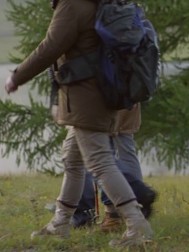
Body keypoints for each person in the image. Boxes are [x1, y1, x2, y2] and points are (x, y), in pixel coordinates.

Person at [4, 0, 153, 247]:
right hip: (101, 93)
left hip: (86, 97)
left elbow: (50, 48)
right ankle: (61, 222)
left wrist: (17, 76)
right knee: (73, 160)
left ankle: (136, 224)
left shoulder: (72, 3)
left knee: (99, 161)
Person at [49, 68, 157, 232]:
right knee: (119, 148)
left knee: (95, 155)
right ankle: (128, 208)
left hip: (98, 91)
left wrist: (55, 98)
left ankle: (104, 212)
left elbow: (57, 55)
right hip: (126, 84)